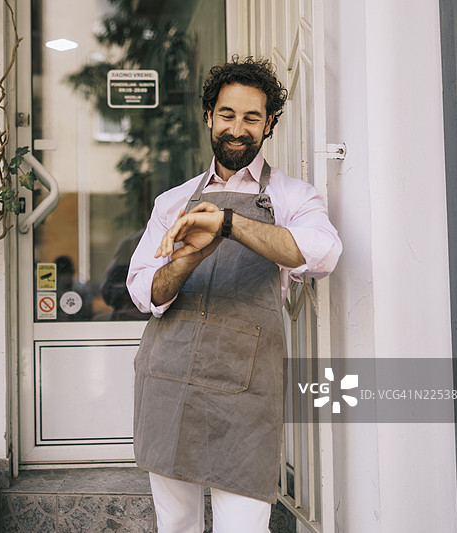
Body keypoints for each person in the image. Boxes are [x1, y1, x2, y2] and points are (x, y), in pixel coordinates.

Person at [126, 56, 342, 533]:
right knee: (176, 525)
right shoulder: (173, 202)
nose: (237, 128)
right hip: (170, 382)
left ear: (268, 125)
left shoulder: (291, 197)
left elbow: (323, 254)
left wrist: (228, 224)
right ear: (209, 116)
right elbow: (144, 291)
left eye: (251, 117)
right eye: (227, 114)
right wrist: (190, 255)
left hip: (246, 395)